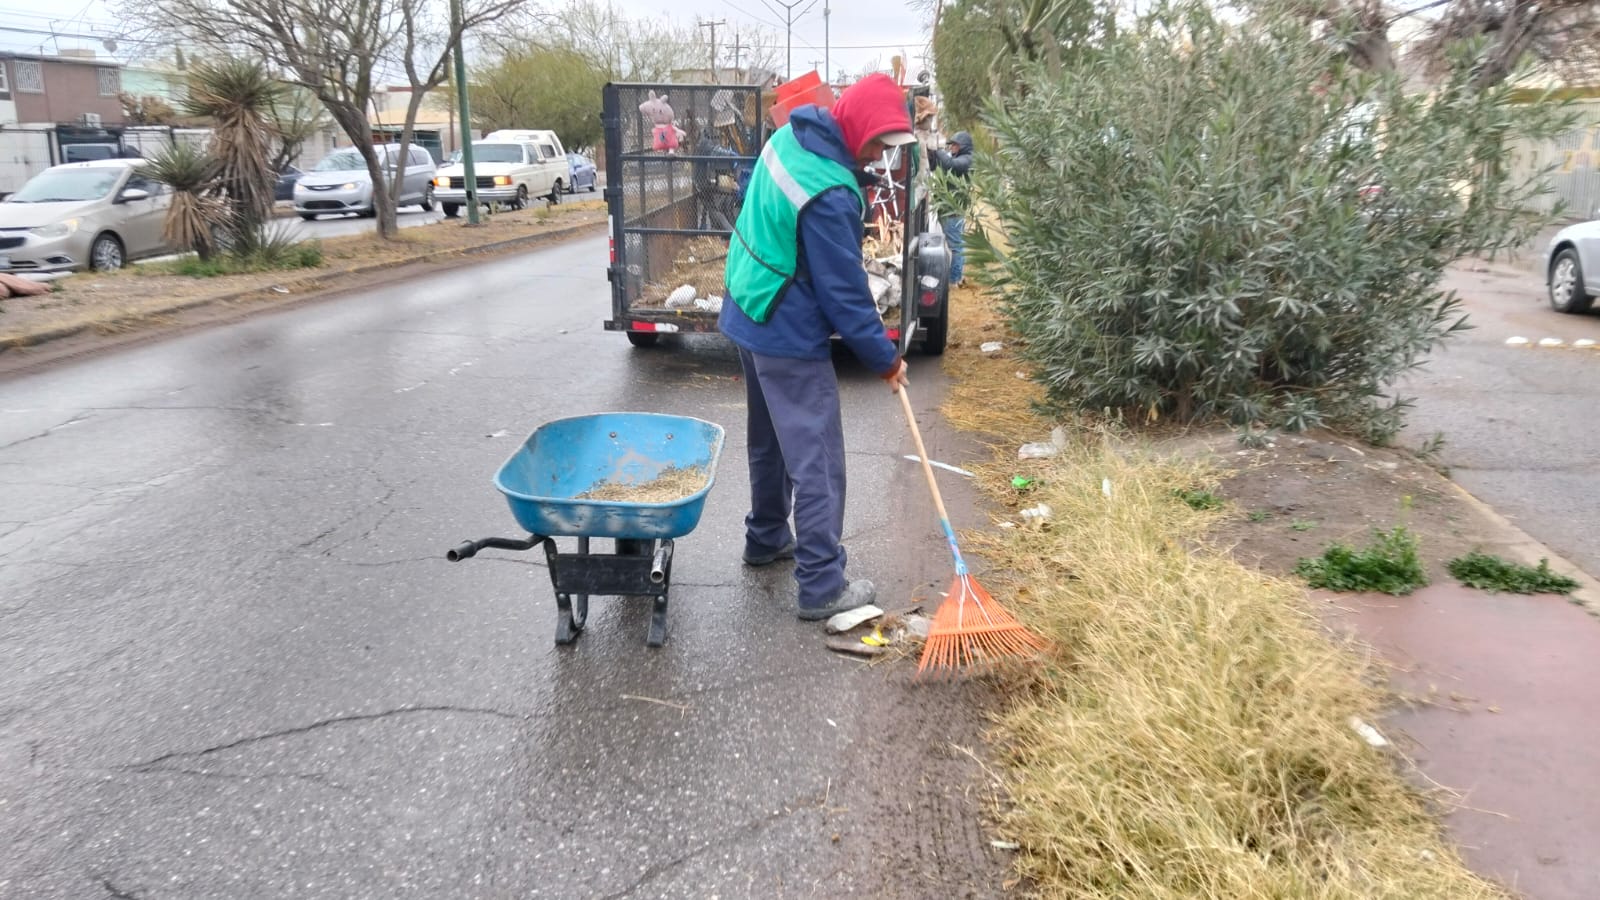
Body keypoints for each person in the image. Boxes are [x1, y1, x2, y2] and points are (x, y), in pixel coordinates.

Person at [719, 72, 914, 622]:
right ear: (855, 124)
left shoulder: (788, 137)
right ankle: (822, 583)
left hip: (748, 304)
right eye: (878, 143)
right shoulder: (831, 190)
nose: (878, 157)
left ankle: (765, 539)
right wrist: (885, 359)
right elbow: (845, 296)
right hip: (785, 327)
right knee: (818, 460)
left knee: (770, 442)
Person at [928, 131, 974, 285]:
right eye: (951, 144)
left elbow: (949, 165)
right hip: (947, 208)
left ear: (963, 146)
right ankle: (956, 276)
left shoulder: (967, 160)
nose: (952, 147)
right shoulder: (956, 158)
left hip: (953, 209)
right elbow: (937, 166)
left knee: (956, 246)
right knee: (955, 244)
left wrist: (938, 149)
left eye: (955, 144)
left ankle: (955, 279)